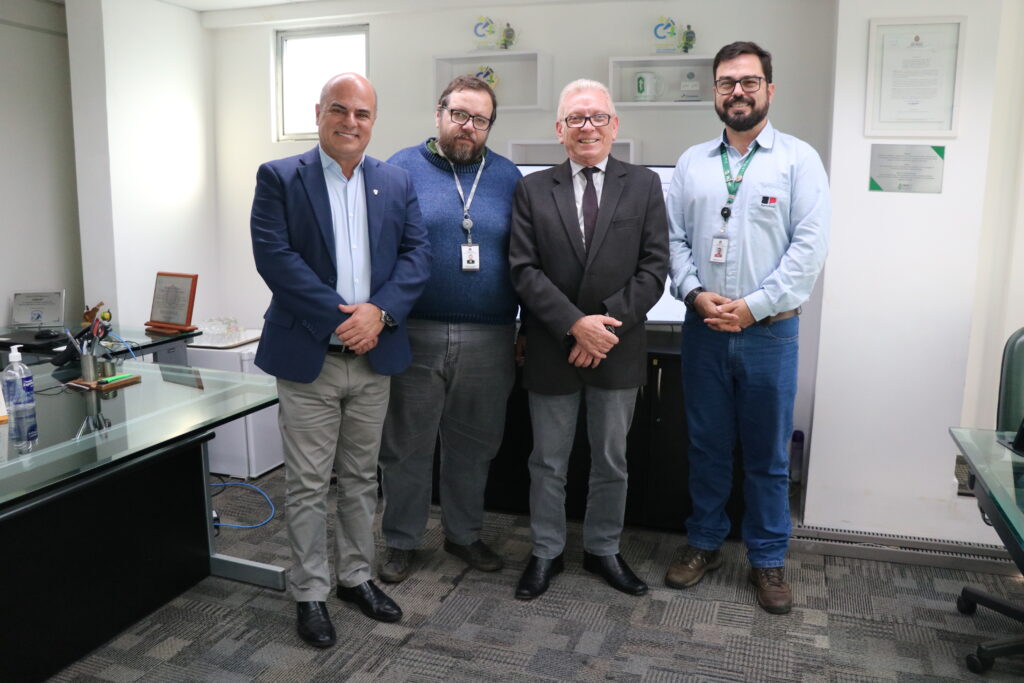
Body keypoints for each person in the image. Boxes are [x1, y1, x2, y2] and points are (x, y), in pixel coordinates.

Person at [250, 73, 431, 647]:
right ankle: (310, 592)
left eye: (362, 113)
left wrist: (378, 313)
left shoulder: (396, 181)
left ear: (373, 121)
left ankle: (355, 577)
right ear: (320, 113)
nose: (350, 122)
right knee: (306, 483)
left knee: (359, 478)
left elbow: (416, 255)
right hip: (310, 357)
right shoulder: (280, 177)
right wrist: (344, 320)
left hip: (374, 356)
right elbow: (275, 259)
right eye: (339, 110)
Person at [664, 41, 830, 614]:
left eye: (749, 82)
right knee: (706, 445)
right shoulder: (691, 164)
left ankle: (767, 558)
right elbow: (674, 241)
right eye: (727, 82)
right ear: (715, 91)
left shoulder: (798, 161)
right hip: (704, 328)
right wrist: (694, 292)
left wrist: (756, 305)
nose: (738, 92)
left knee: (767, 454)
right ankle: (704, 542)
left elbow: (809, 248)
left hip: (770, 334)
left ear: (769, 90)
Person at [509, 79, 669, 600]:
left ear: (614, 126)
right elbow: (524, 270)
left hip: (618, 349)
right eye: (576, 118)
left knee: (611, 461)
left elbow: (653, 270)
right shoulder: (532, 189)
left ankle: (603, 549)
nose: (588, 127)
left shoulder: (643, 185)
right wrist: (574, 325)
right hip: (554, 348)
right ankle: (546, 551)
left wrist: (602, 327)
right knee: (547, 462)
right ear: (559, 130)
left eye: (598, 116)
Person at [377, 75, 522, 582]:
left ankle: (464, 535)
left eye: (479, 119)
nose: (468, 127)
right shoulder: (399, 169)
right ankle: (401, 539)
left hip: (491, 336)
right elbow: (380, 251)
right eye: (459, 114)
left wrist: (524, 328)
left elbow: (524, 259)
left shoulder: (508, 177)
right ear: (439, 113)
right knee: (406, 445)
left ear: (489, 127)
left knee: (474, 444)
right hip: (414, 332)